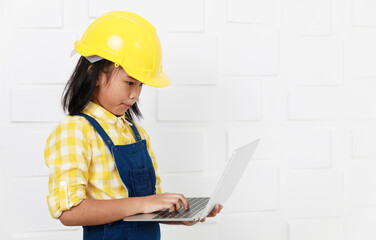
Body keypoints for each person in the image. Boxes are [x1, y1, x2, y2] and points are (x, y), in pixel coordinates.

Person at [44, 11, 223, 240]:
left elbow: (146, 209)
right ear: (95, 73)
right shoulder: (75, 130)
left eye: (140, 85)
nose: (135, 95)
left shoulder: (135, 133)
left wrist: (182, 214)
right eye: (129, 82)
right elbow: (69, 211)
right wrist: (143, 202)